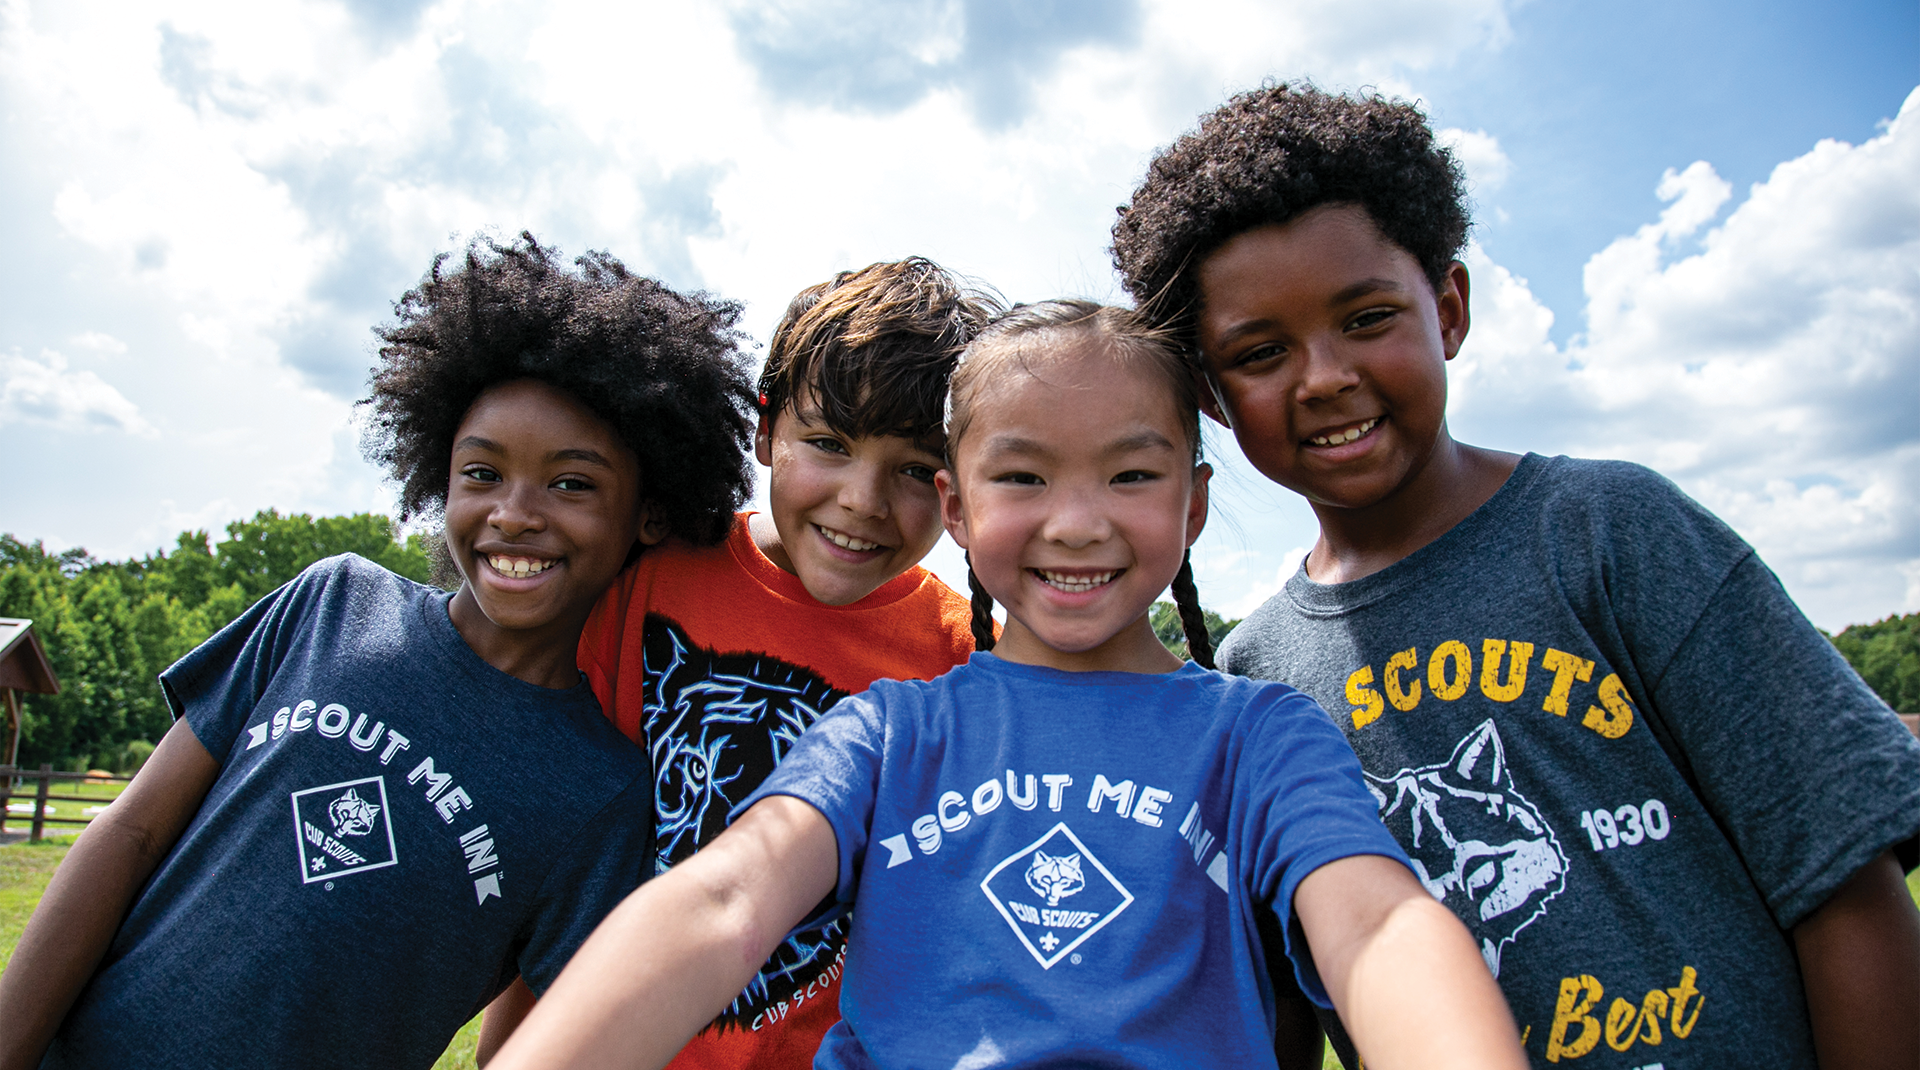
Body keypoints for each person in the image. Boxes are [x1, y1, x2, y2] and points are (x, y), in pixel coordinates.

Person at [486, 301, 1528, 1070]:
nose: (1077, 522)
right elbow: (724, 899)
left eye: (1129, 475)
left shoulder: (1258, 736)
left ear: (1195, 505)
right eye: (1023, 477)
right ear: (959, 504)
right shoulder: (892, 728)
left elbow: (1376, 926)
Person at [1111, 83, 1920, 1069]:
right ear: (1213, 395)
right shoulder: (1252, 676)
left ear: (1448, 309)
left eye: (1367, 318)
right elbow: (1277, 1003)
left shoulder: (1613, 534)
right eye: (1263, 351)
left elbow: (1844, 883)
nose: (1322, 375)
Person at [0, 233, 761, 1070]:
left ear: (649, 515)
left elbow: (538, 1031)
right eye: (481, 474)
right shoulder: (330, 604)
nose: (513, 512)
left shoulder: (604, 792)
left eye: (571, 484)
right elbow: (131, 832)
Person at [475, 258, 1000, 1068]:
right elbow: (562, 832)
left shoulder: (962, 655)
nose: (862, 499)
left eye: (912, 467)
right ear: (764, 430)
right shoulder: (649, 569)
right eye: (827, 443)